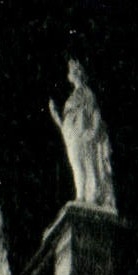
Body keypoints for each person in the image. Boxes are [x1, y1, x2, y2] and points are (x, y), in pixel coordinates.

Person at [48, 57, 117, 212]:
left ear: (77, 73)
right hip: (72, 138)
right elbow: (65, 127)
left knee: (88, 165)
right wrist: (56, 116)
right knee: (77, 167)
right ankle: (81, 196)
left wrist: (92, 132)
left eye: (71, 71)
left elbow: (95, 113)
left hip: (83, 135)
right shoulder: (73, 97)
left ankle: (90, 198)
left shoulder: (86, 93)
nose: (69, 74)